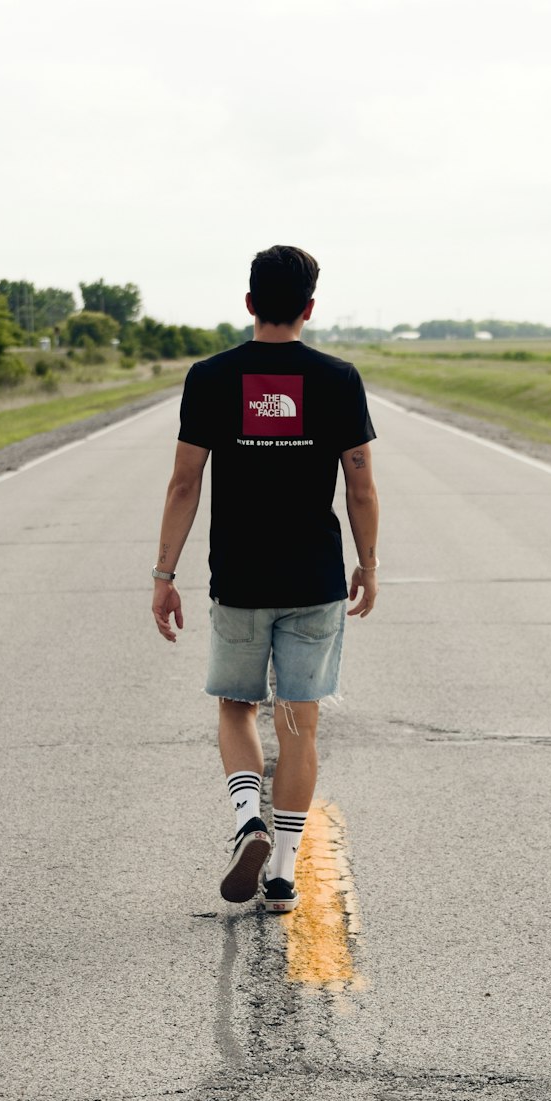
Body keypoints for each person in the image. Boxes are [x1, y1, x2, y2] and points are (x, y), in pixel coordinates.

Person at [151, 245, 380, 912]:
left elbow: (184, 481)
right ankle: (281, 873)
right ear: (309, 308)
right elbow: (360, 486)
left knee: (236, 705)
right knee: (299, 725)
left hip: (241, 579)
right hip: (314, 580)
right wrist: (367, 562)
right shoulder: (338, 378)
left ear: (250, 303)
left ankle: (247, 814)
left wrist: (165, 573)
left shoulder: (211, 376)